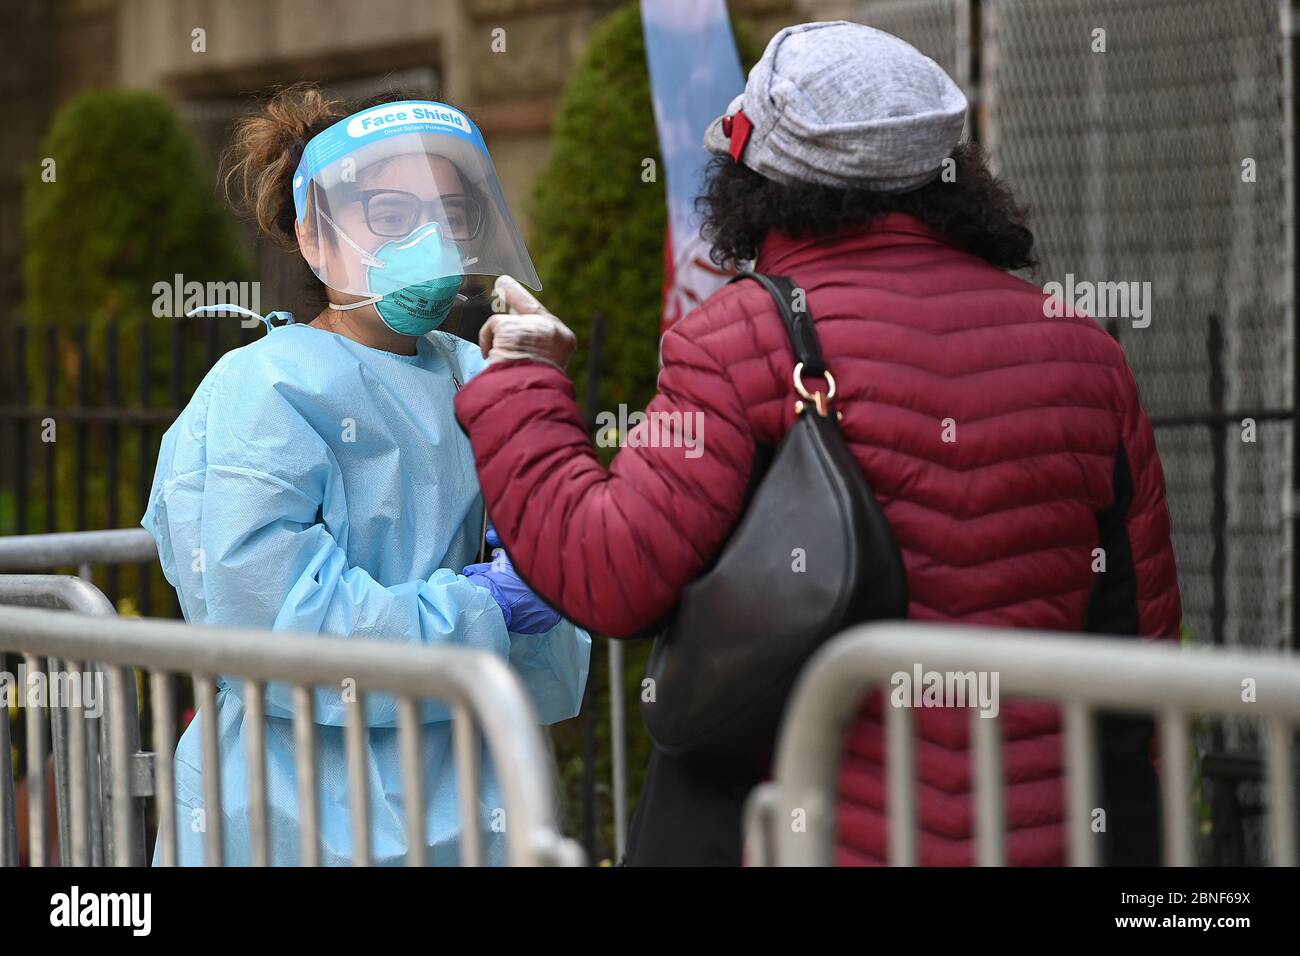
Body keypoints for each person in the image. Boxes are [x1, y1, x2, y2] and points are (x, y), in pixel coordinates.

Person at [456, 22, 1181, 865]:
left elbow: (610, 571)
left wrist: (520, 378)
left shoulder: (741, 337)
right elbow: (1140, 644)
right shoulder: (1085, 349)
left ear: (755, 181)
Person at [142, 84, 590, 866]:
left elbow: (553, 567)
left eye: (452, 217)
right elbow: (276, 628)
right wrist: (484, 606)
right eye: (390, 214)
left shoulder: (477, 369)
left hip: (472, 778)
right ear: (315, 237)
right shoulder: (265, 387)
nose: (433, 241)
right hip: (297, 796)